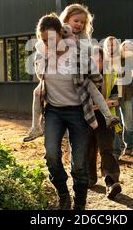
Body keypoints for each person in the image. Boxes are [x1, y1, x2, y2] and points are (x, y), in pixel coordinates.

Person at [23, 4, 120, 142]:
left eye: (83, 22)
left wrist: (75, 43)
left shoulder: (83, 37)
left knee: (92, 88)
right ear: (67, 19)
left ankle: (108, 116)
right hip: (55, 78)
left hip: (78, 72)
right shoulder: (58, 31)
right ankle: (36, 126)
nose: (79, 24)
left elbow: (87, 52)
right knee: (37, 93)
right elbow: (42, 45)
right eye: (76, 20)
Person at [35, 14, 102, 210]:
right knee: (51, 155)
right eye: (44, 40)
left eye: (53, 39)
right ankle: (63, 195)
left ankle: (79, 204)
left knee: (79, 163)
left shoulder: (77, 54)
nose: (49, 44)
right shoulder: (41, 56)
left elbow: (97, 78)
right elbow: (41, 81)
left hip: (78, 112)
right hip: (54, 111)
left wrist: (92, 96)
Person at [88, 45, 122, 199]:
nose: (95, 62)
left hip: (105, 118)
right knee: (88, 150)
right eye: (92, 59)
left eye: (99, 59)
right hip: (85, 118)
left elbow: (116, 98)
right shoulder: (81, 75)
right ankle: (89, 178)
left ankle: (111, 182)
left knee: (106, 149)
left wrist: (107, 103)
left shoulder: (111, 75)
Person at [105, 38, 133, 159]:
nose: (112, 47)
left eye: (114, 45)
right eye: (109, 45)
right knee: (114, 122)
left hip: (126, 94)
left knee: (128, 122)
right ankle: (116, 150)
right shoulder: (106, 59)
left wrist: (132, 80)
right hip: (112, 96)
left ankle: (129, 145)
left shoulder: (126, 58)